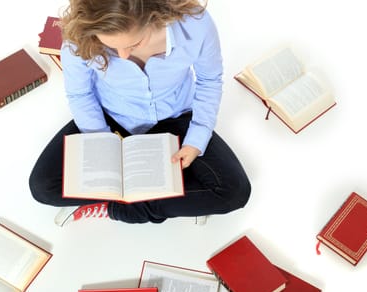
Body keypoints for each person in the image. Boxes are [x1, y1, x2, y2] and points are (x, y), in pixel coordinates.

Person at [29, 0, 251, 224]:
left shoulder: (195, 24)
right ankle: (178, 201)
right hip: (110, 118)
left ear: (156, 15)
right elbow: (80, 95)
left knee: (234, 191)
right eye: (111, 47)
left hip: (175, 117)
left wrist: (196, 139)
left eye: (133, 43)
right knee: (43, 187)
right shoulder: (80, 35)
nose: (123, 56)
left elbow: (209, 80)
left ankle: (112, 208)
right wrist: (102, 143)